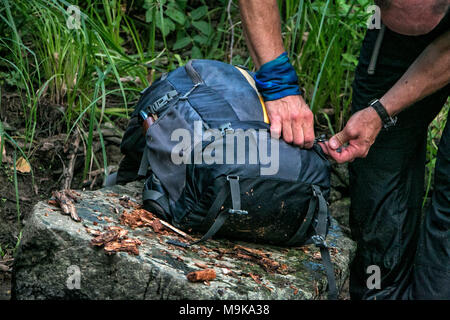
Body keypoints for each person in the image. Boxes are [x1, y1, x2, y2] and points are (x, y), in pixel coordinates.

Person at [238, 0, 449, 299]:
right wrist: (278, 83)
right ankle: (379, 293)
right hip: (393, 37)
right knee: (378, 164)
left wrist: (381, 110)